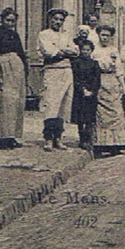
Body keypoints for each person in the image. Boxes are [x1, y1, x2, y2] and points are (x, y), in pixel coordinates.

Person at [0, 7, 27, 149]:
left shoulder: (14, 35)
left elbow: (21, 52)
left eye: (13, 21)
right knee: (3, 102)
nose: (10, 23)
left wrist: (25, 70)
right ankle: (0, 137)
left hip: (17, 70)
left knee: (16, 102)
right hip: (3, 67)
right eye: (8, 20)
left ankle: (11, 136)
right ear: (1, 20)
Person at [38, 8, 79, 151]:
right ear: (50, 19)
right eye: (55, 19)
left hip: (66, 72)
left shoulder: (66, 35)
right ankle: (48, 138)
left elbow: (75, 51)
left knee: (64, 106)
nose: (58, 22)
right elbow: (49, 52)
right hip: (52, 71)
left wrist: (63, 51)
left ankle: (58, 138)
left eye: (61, 20)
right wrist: (64, 51)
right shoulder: (44, 34)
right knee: (51, 105)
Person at [92, 24, 125, 155]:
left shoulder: (114, 50)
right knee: (101, 114)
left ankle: (117, 144)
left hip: (112, 81)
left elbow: (119, 69)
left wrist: (122, 85)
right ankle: (101, 144)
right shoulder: (94, 50)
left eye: (107, 35)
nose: (105, 38)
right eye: (103, 35)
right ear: (99, 35)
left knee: (116, 112)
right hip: (99, 81)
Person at [70, 37, 101, 151]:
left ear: (91, 51)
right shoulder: (76, 62)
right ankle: (81, 138)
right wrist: (82, 89)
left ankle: (89, 138)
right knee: (80, 118)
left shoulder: (94, 63)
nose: (85, 52)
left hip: (91, 94)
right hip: (80, 94)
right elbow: (76, 77)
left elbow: (97, 79)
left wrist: (92, 91)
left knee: (89, 118)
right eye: (83, 50)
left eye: (88, 50)